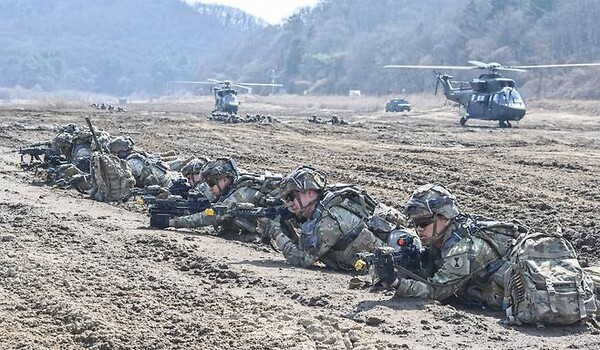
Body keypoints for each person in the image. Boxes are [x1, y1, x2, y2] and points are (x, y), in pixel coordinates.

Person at [375, 184, 599, 318]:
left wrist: (395, 283)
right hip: (518, 275)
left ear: (443, 217)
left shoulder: (464, 247)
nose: (418, 229)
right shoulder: (444, 237)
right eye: (415, 224)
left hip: (533, 279)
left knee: (586, 285)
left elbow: (436, 291)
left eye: (423, 223)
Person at [259, 166, 405, 271]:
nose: (289, 204)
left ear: (310, 193)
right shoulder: (321, 209)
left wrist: (276, 232)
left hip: (396, 266)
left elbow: (303, 259)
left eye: (291, 197)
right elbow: (304, 245)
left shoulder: (329, 219)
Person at [150, 158, 274, 237]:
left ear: (225, 179)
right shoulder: (234, 187)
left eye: (211, 184)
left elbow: (212, 216)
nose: (210, 188)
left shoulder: (241, 192)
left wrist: (171, 222)